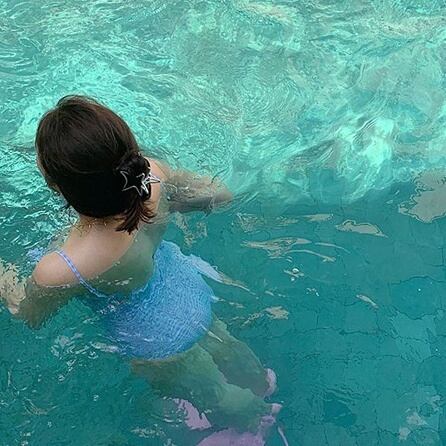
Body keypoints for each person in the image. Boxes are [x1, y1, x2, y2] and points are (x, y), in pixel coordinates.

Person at [0, 96, 280, 444]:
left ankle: (256, 422)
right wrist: (168, 206)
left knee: (217, 394)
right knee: (225, 347)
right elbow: (219, 195)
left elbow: (28, 314)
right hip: (188, 290)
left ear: (56, 186)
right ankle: (261, 386)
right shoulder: (153, 176)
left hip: (157, 340)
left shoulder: (63, 267)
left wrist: (4, 276)